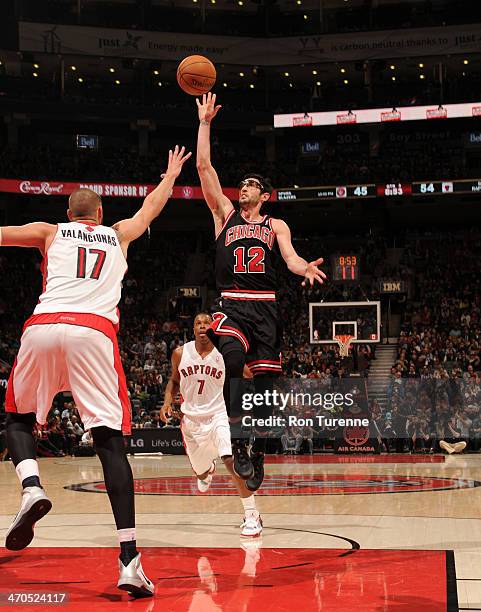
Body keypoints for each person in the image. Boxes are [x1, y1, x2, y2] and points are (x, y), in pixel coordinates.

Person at [2, 145, 191, 597]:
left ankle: (30, 486)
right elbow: (150, 209)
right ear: (101, 213)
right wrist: (168, 176)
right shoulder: (120, 233)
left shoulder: (49, 231)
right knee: (110, 441)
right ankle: (128, 561)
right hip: (94, 333)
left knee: (17, 416)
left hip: (44, 326)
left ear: (68, 213)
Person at [196, 92, 326, 492]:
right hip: (232, 304)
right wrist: (205, 123)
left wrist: (304, 267)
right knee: (233, 361)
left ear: (265, 196)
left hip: (266, 307)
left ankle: (257, 448)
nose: (245, 188)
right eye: (244, 184)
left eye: (253, 185)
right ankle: (236, 442)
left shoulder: (276, 225)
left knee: (268, 392)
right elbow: (203, 166)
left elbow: (288, 259)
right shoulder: (223, 214)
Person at [160, 313, 262, 537]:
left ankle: (252, 516)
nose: (203, 326)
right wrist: (167, 403)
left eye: (207, 323)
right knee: (200, 473)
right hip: (191, 421)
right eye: (198, 323)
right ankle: (207, 471)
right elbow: (174, 380)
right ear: (193, 328)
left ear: (213, 328)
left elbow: (249, 375)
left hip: (219, 415)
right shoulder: (180, 353)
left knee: (231, 460)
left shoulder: (225, 353)